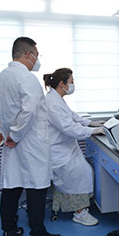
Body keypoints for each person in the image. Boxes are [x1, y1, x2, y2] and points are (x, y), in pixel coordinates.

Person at [0, 37, 61, 236]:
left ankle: (9, 230)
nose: (37, 60)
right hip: (30, 141)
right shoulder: (27, 79)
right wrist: (15, 135)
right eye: (36, 55)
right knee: (37, 186)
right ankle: (38, 234)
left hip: (12, 142)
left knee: (12, 185)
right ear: (28, 55)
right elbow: (29, 111)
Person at [43, 68, 104, 226]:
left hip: (66, 148)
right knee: (82, 173)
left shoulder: (56, 98)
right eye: (71, 82)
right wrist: (93, 131)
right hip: (59, 151)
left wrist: (91, 123)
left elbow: (71, 116)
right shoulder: (52, 103)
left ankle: (79, 207)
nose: (73, 85)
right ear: (62, 84)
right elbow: (68, 127)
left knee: (85, 170)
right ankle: (79, 213)